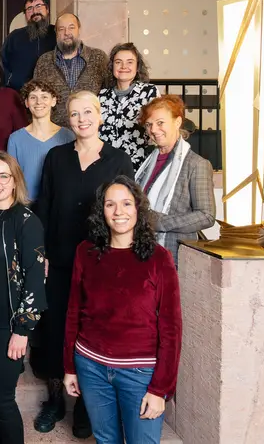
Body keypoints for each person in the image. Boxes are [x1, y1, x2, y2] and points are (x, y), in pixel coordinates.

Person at [34, 90, 134, 438]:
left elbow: (126, 212)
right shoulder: (55, 157)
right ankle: (56, 400)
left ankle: (87, 409)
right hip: (59, 261)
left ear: (100, 114)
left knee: (94, 332)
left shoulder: (118, 160)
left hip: (100, 263)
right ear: (68, 119)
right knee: (56, 330)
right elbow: (44, 206)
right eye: (74, 114)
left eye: (88, 112)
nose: (81, 119)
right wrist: (41, 254)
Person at [64, 175, 182, 444]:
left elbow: (171, 329)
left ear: (138, 209)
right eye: (110, 204)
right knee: (106, 439)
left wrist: (160, 389)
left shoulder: (159, 258)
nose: (119, 212)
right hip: (90, 366)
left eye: (126, 203)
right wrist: (70, 366)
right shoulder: (86, 252)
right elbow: (73, 312)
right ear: (101, 211)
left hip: (139, 372)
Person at [0, 151, 48, 444]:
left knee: (2, 400)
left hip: (7, 325)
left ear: (15, 182)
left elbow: (35, 281)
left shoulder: (27, 222)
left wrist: (22, 331)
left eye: (4, 176)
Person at [136, 94, 216, 264]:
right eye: (149, 124)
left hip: (174, 254)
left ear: (177, 122)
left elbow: (206, 216)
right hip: (141, 250)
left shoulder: (196, 164)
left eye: (160, 123)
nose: (153, 130)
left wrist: (161, 222)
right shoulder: (147, 162)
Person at [33, 13, 109, 127]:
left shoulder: (98, 58)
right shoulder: (44, 61)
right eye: (61, 29)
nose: (67, 33)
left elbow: (109, 94)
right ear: (56, 33)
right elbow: (35, 97)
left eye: (71, 28)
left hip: (90, 131)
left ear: (79, 30)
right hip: (54, 134)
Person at [7, 79, 75, 201]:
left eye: (44, 97)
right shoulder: (15, 139)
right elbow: (12, 178)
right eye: (33, 97)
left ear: (53, 101)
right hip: (26, 205)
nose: (39, 102)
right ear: (26, 103)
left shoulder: (68, 136)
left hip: (58, 204)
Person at [99, 43, 160, 169]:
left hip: (139, 167)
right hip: (106, 167)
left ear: (137, 66)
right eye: (118, 62)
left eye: (130, 62)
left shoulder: (149, 92)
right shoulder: (101, 96)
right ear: (112, 66)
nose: (123, 66)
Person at [2, 0, 57, 91]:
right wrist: (9, 85)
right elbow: (2, 64)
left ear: (47, 9)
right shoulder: (14, 37)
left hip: (51, 95)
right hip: (18, 95)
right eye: (29, 9)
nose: (35, 11)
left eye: (38, 6)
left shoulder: (57, 34)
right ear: (25, 14)